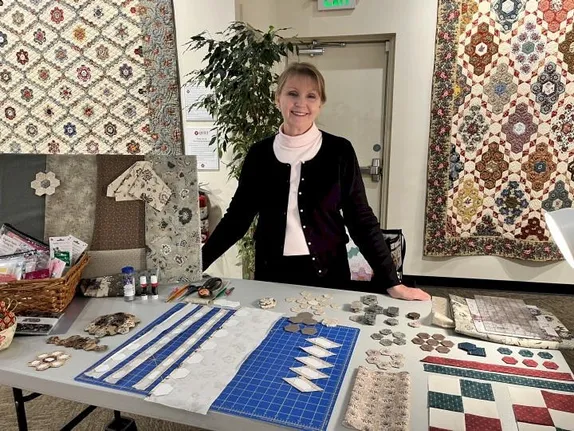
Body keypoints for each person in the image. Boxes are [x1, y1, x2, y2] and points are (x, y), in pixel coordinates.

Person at [202, 62, 430, 301]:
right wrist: (197, 265)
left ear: (320, 104)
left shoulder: (339, 152)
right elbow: (236, 220)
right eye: (292, 94)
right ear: (278, 98)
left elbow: (361, 220)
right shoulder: (259, 155)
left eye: (311, 96)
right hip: (271, 274)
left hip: (329, 274)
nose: (301, 103)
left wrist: (393, 282)